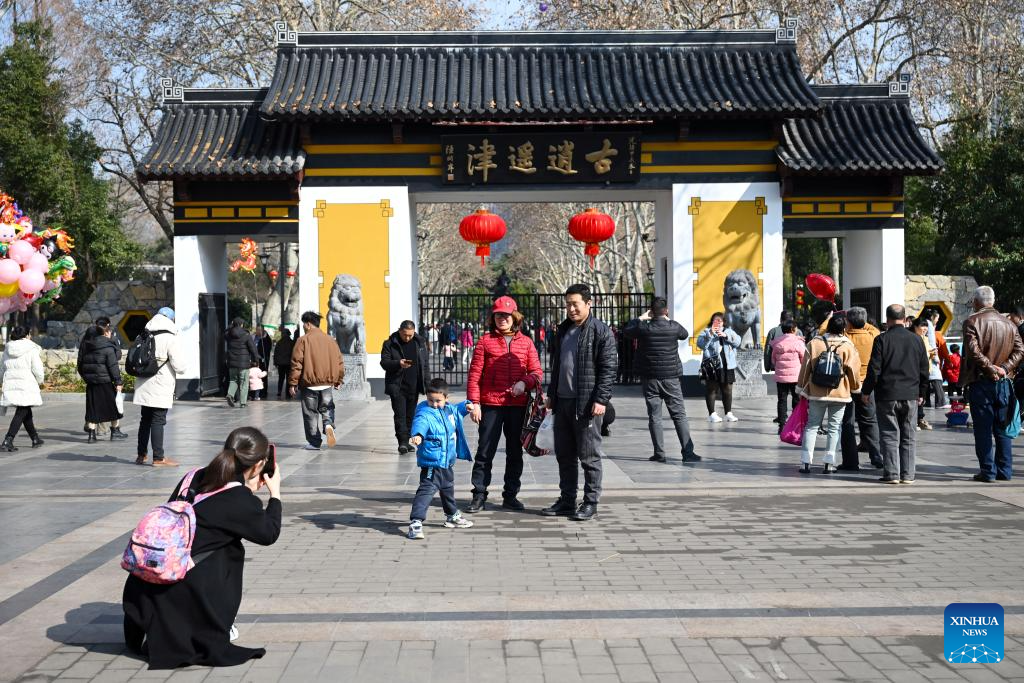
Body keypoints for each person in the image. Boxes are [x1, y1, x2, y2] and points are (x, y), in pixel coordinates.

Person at [122, 427, 282, 669]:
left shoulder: (193, 476)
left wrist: (246, 490)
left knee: (221, 543)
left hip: (148, 583)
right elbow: (268, 533)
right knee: (228, 552)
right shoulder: (239, 498)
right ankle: (210, 625)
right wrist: (275, 494)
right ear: (259, 465)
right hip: (184, 587)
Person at [541, 284, 617, 522]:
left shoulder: (600, 331)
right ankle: (567, 500)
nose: (571, 309)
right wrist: (551, 394)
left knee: (589, 456)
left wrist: (601, 399)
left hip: (586, 404)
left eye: (575, 304)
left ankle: (591, 502)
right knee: (564, 455)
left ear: (588, 303)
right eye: (568, 304)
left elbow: (608, 369)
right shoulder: (564, 330)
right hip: (562, 402)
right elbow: (557, 366)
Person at [465, 296, 543, 512]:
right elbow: (474, 375)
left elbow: (537, 372)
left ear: (515, 317)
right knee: (485, 451)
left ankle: (510, 495)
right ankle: (479, 495)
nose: (503, 318)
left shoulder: (526, 342)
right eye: (499, 315)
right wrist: (474, 402)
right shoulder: (485, 341)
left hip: (517, 406)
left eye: (507, 315)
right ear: (493, 317)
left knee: (515, 452)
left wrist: (524, 383)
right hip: (491, 404)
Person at [622, 297, 699, 463]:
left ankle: (659, 453)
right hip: (671, 378)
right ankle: (688, 453)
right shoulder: (673, 327)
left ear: (651, 311)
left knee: (655, 417)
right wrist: (667, 319)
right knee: (679, 415)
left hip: (650, 379)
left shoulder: (643, 328)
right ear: (666, 311)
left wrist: (641, 317)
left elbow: (627, 330)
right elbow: (685, 334)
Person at [861, 304, 930, 484]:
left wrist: (866, 391)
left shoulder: (881, 339)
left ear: (887, 319)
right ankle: (908, 475)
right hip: (911, 394)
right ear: (905, 319)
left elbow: (874, 369)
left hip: (887, 394)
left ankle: (892, 474)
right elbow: (924, 369)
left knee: (889, 434)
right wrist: (922, 392)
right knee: (909, 435)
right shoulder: (917, 340)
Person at [962, 286, 1024, 482]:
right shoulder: (1009, 323)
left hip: (982, 382)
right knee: (1003, 427)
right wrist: (1004, 368)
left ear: (976, 302)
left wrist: (991, 369)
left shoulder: (972, 321)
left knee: (983, 429)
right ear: (993, 301)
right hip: (1004, 382)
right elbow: (1020, 350)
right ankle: (1004, 470)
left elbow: (973, 351)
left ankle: (988, 471)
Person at [406, 378, 475, 539]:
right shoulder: (425, 412)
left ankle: (452, 515)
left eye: (438, 401)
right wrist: (418, 435)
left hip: (446, 461)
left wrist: (467, 406)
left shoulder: (448, 409)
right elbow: (420, 423)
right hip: (432, 461)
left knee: (447, 488)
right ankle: (416, 522)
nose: (434, 404)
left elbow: (457, 411)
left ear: (446, 398)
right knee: (427, 490)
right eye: (431, 400)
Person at [796, 314, 861, 474]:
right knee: (834, 428)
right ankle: (829, 463)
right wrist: (855, 388)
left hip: (816, 392)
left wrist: (800, 387)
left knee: (812, 426)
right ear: (843, 328)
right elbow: (853, 371)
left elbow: (805, 368)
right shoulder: (848, 345)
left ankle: (805, 462)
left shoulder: (814, 343)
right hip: (840, 392)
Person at [133, 308, 183, 467]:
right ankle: (158, 458)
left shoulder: (144, 334)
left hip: (143, 382)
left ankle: (141, 455)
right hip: (160, 383)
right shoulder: (170, 337)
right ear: (171, 319)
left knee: (145, 420)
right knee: (158, 420)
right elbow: (179, 365)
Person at [288, 312, 344, 450]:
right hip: (327, 383)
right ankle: (328, 424)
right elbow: (339, 361)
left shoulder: (303, 340)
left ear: (308, 324)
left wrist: (293, 383)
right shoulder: (330, 340)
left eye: (303, 325)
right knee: (327, 407)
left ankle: (314, 442)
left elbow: (297, 363)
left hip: (309, 384)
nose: (303, 327)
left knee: (310, 413)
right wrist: (338, 379)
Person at [839, 306, 882, 470]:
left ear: (848, 322)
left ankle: (850, 461)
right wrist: (861, 321)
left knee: (847, 422)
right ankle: (876, 456)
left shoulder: (844, 337)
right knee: (870, 421)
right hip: (867, 385)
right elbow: (873, 328)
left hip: (847, 385)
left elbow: (823, 331)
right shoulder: (873, 336)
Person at [380, 321, 429, 454]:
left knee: (410, 415)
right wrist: (398, 363)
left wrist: (428, 385)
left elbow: (424, 365)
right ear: (400, 330)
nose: (407, 338)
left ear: (414, 332)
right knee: (400, 415)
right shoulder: (390, 343)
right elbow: (384, 363)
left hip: (414, 386)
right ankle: (402, 442)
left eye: (410, 335)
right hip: (397, 386)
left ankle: (407, 441)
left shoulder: (419, 343)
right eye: (405, 335)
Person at [77, 322, 128, 443]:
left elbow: (80, 366)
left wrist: (87, 378)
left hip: (91, 384)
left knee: (92, 409)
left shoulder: (86, 348)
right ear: (102, 334)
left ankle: (91, 435)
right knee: (113, 407)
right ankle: (115, 431)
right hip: (106, 382)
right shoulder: (107, 347)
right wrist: (118, 382)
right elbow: (113, 367)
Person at [0, 326, 44, 451]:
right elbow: (37, 368)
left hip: (11, 383)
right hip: (26, 384)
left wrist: (1, 380)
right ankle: (8, 440)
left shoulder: (8, 348)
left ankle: (35, 438)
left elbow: (2, 367)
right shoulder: (31, 348)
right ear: (27, 335)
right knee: (21, 411)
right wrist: (40, 381)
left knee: (25, 411)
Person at [696, 313, 741, 423]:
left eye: (720, 321)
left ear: (724, 322)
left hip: (727, 364)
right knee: (712, 389)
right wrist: (710, 334)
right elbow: (700, 345)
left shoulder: (729, 331)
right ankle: (712, 414)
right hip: (712, 365)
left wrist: (726, 336)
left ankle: (728, 413)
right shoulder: (706, 331)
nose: (718, 323)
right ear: (712, 322)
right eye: (715, 321)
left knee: (728, 389)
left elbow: (738, 342)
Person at [770, 319, 805, 431]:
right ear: (793, 329)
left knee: (782, 400)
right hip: (796, 377)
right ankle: (795, 425)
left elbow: (773, 360)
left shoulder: (777, 343)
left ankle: (781, 426)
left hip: (781, 377)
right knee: (796, 400)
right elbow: (804, 359)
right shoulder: (798, 342)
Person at [225, 318, 258, 408]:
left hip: (232, 363)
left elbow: (225, 332)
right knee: (244, 383)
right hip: (244, 364)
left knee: (233, 380)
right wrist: (256, 360)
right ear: (242, 324)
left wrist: (231, 325)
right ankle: (243, 403)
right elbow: (253, 349)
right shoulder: (246, 335)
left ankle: (230, 394)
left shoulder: (229, 335)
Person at [912, 318, 937, 430]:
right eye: (922, 326)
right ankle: (915, 420)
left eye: (926, 326)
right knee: (916, 396)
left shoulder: (925, 339)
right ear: (915, 327)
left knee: (922, 396)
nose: (925, 328)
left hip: (925, 371)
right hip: (915, 371)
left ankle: (920, 419)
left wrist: (932, 353)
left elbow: (926, 353)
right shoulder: (912, 338)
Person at [764, 310, 793, 374]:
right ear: (792, 319)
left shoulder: (773, 331)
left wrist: (767, 366)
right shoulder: (798, 332)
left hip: (777, 367)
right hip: (794, 369)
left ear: (780, 319)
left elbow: (768, 350)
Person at [273, 328, 296, 399]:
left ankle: (279, 391)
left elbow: (276, 353)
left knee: (281, 378)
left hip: (281, 364)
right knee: (289, 378)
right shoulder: (292, 343)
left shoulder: (279, 343)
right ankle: (288, 393)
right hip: (289, 363)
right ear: (289, 334)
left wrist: (275, 362)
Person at [251, 327, 272, 400]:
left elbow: (267, 350)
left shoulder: (266, 339)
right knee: (253, 375)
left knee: (262, 375)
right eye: (256, 330)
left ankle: (263, 392)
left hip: (263, 360)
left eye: (258, 330)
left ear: (262, 331)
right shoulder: (253, 337)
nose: (257, 331)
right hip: (254, 359)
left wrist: (261, 355)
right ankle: (253, 392)